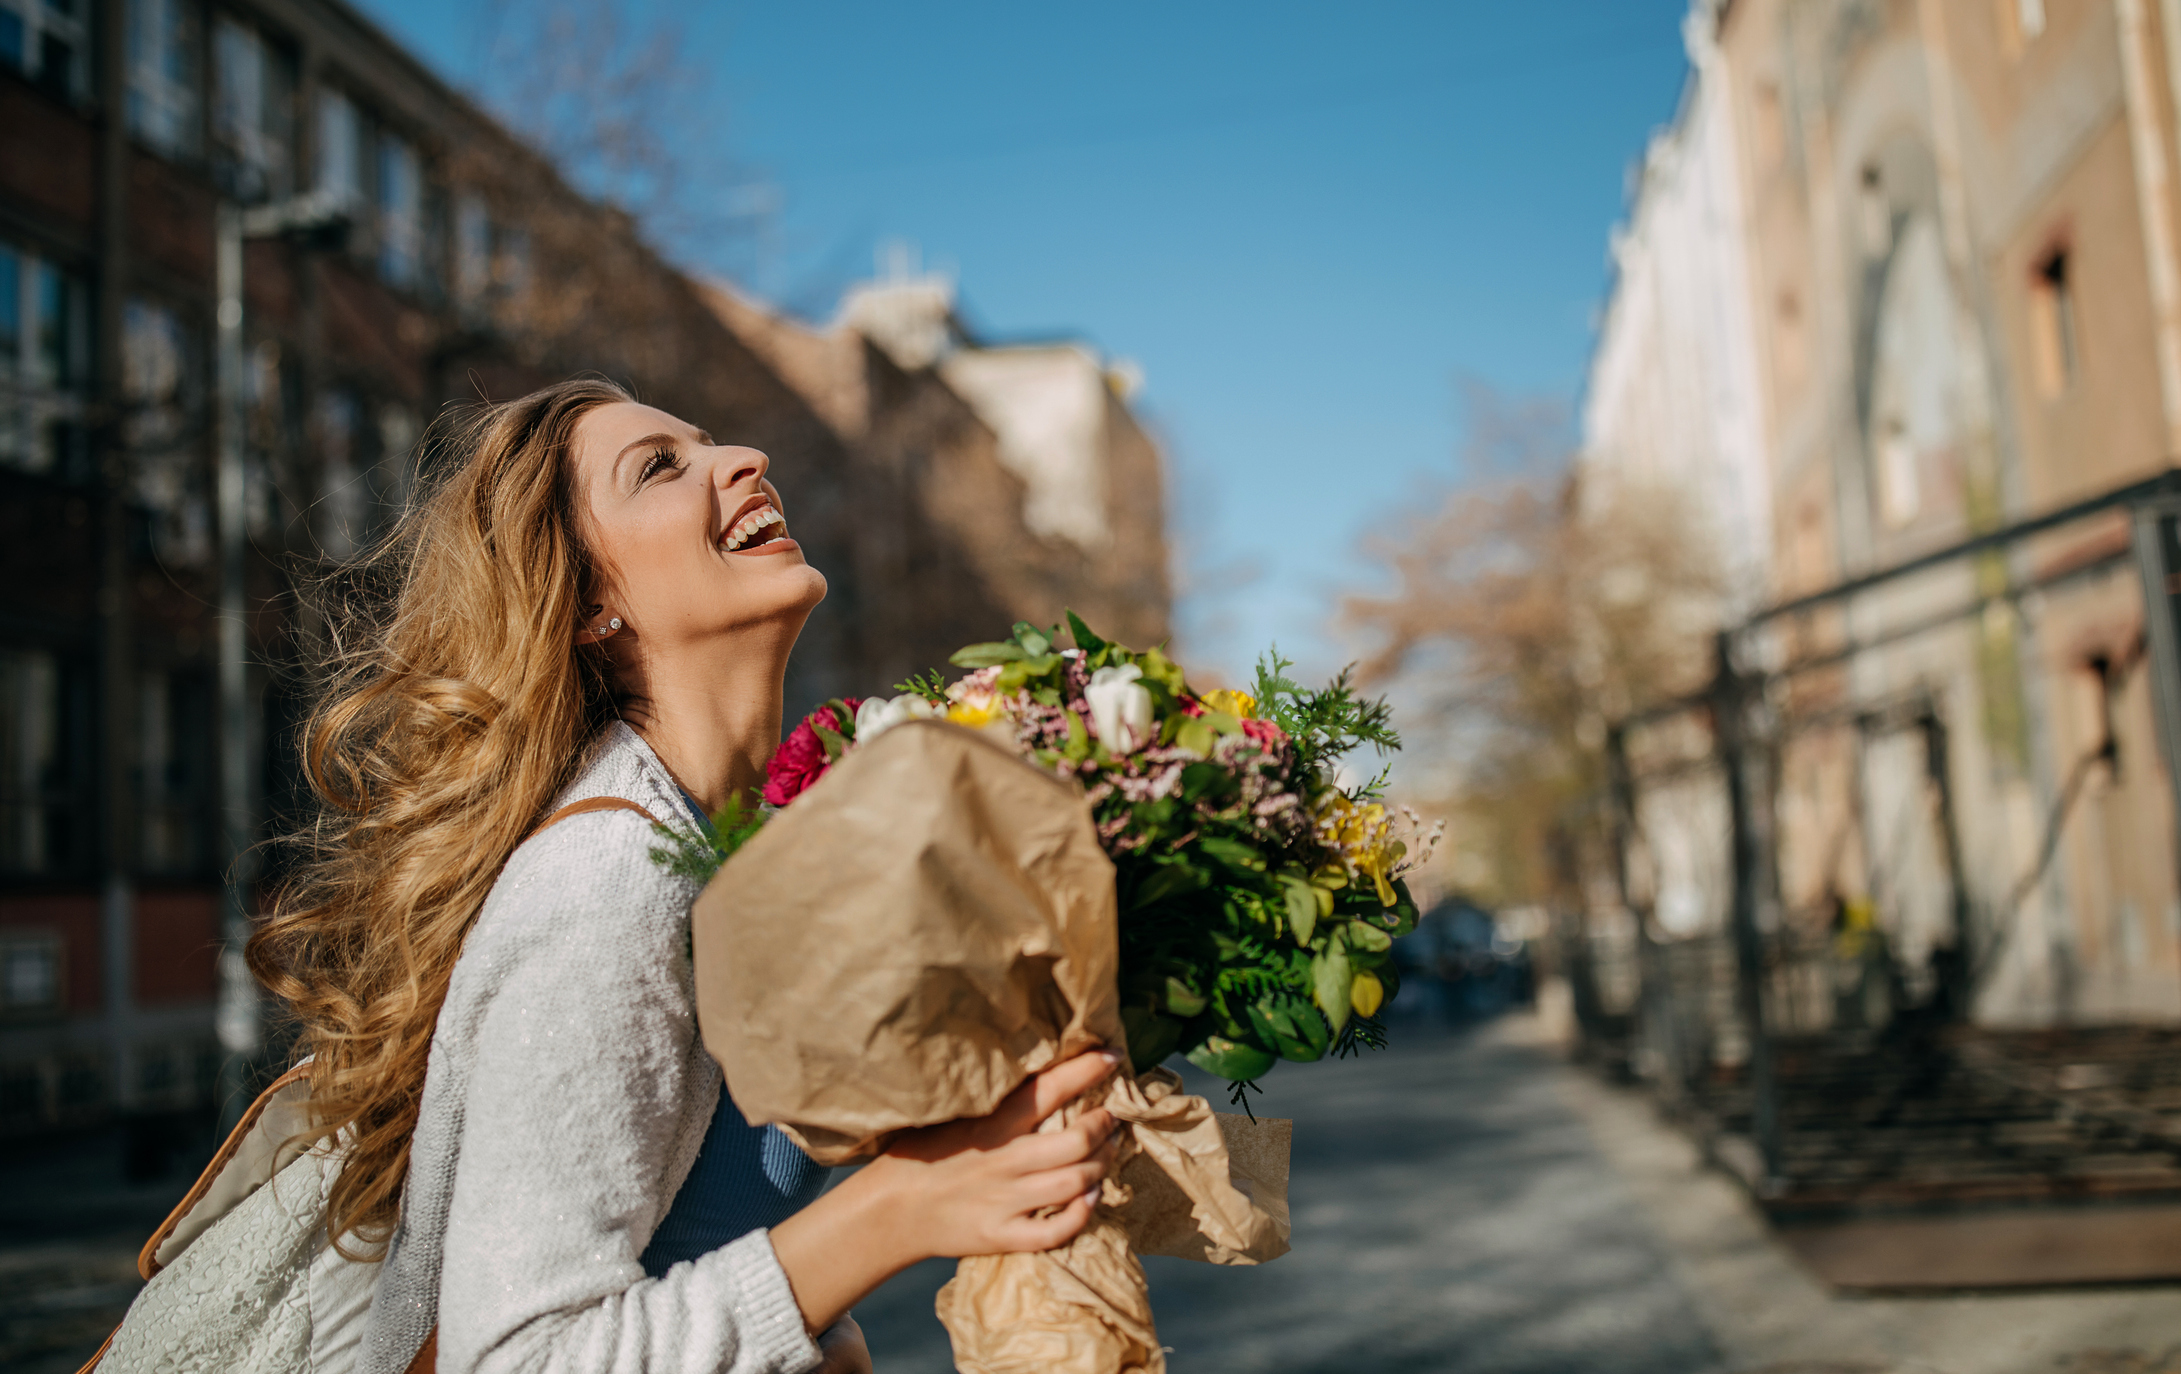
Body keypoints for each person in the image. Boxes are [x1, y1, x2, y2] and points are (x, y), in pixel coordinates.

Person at [250, 378, 1120, 1374]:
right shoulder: (603, 884)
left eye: (707, 441)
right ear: (588, 604)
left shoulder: (746, 853)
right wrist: (898, 1211)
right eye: (660, 467)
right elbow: (516, 1357)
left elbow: (685, 1243)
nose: (744, 460)